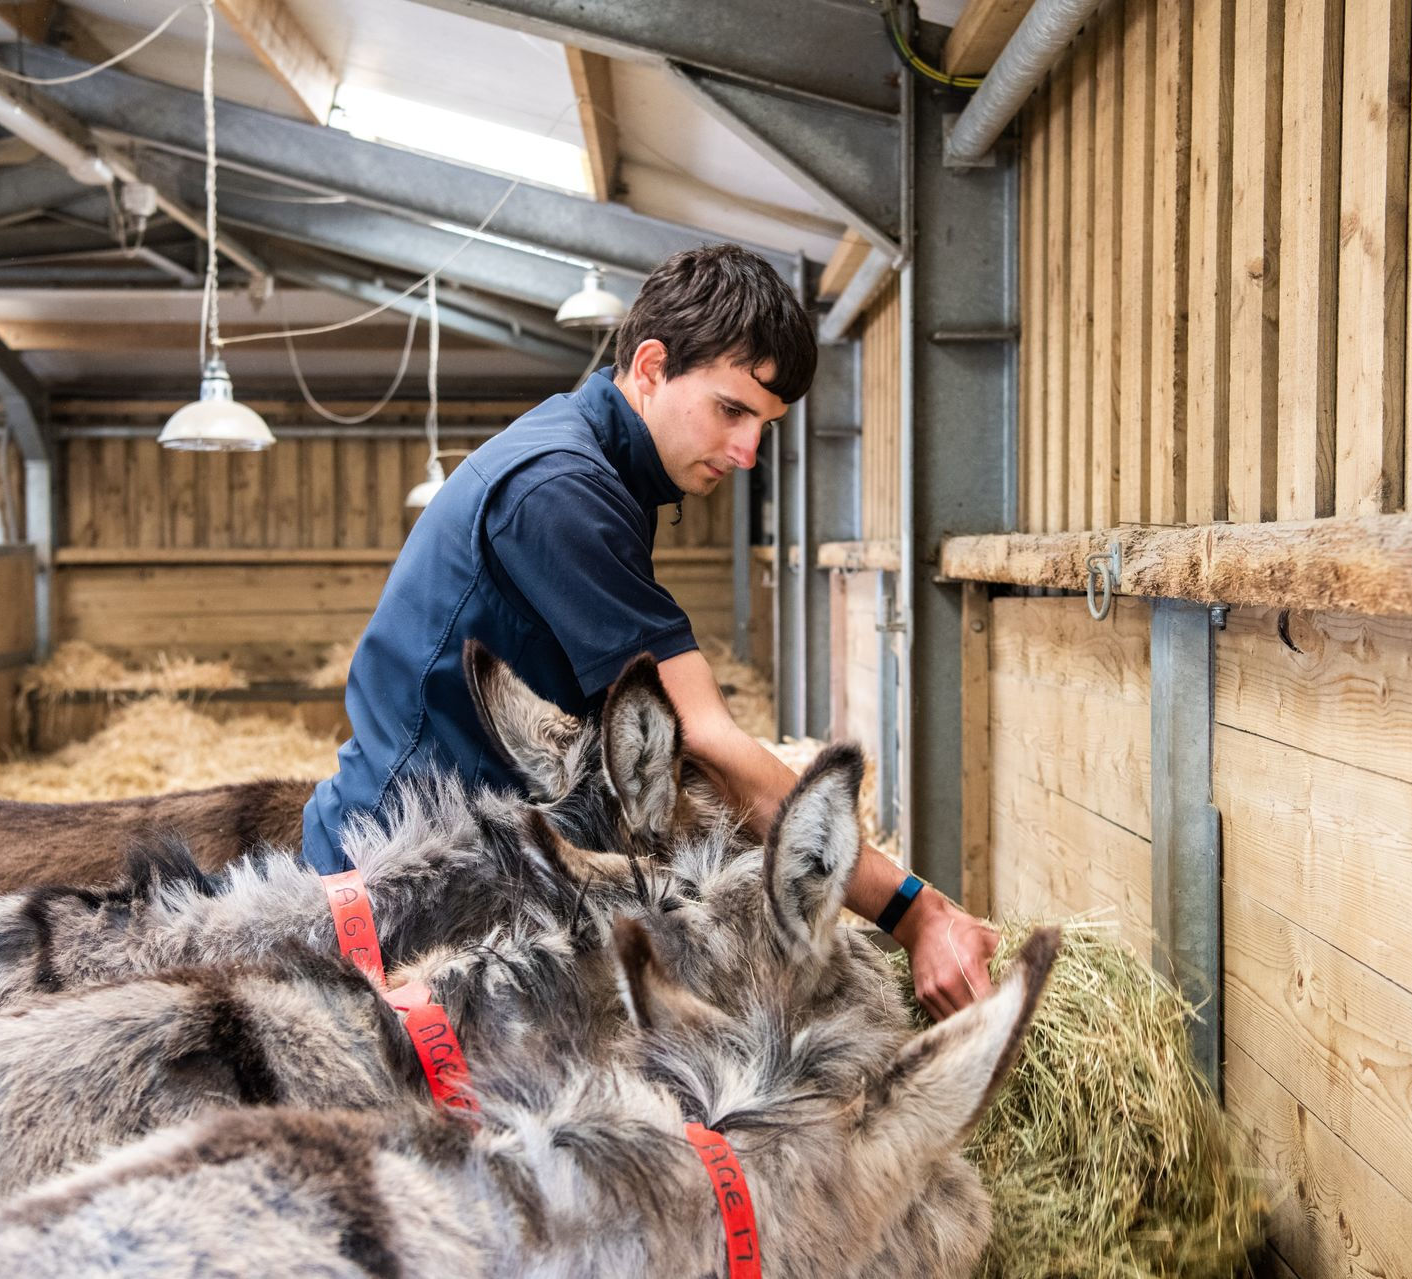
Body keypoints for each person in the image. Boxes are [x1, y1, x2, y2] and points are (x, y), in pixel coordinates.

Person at [302, 243, 999, 1018]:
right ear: (651, 366)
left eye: (764, 424)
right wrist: (912, 909)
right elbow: (704, 739)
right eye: (732, 409)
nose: (746, 451)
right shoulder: (563, 489)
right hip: (402, 887)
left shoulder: (599, 462)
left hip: (474, 848)